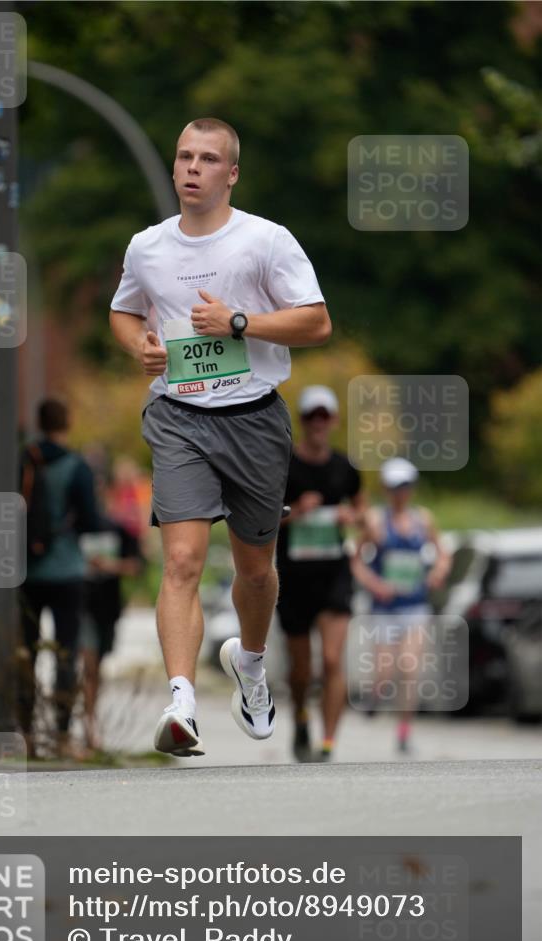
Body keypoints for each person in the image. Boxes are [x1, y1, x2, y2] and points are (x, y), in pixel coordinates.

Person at [109, 117, 331, 757]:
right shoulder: (147, 247)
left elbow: (316, 323)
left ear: (231, 173)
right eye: (184, 156)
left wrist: (238, 322)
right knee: (180, 560)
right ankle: (181, 703)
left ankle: (252, 665)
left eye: (208, 158)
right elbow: (124, 312)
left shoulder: (265, 241)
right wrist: (140, 348)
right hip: (178, 416)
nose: (192, 168)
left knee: (255, 571)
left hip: (255, 417)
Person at [277, 386, 366, 762]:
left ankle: (327, 743)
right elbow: (262, 517)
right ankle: (300, 717)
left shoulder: (345, 468)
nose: (318, 422)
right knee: (302, 668)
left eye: (324, 415)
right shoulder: (284, 466)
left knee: (331, 660)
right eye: (311, 416)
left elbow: (365, 515)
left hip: (333, 573)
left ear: (333, 420)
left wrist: (353, 518)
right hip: (294, 576)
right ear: (302, 421)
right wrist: (296, 510)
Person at [351, 458, 451, 752]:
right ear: (385, 489)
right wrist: (374, 584)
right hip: (384, 610)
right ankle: (375, 695)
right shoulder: (375, 521)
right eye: (395, 487)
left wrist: (438, 573)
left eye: (405, 486)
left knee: (409, 667)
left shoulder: (423, 520)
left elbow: (443, 554)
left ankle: (404, 730)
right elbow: (355, 559)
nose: (401, 493)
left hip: (415, 606)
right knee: (384, 671)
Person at [18, 398, 100, 757]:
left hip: (26, 572)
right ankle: (64, 735)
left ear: (39, 421)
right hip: (66, 570)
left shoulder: (23, 461)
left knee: (27, 652)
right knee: (66, 653)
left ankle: (26, 735)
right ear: (67, 422)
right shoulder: (76, 467)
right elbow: (92, 522)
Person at [80, 513, 144, 751]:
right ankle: (85, 726)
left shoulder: (118, 529)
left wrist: (109, 566)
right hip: (79, 606)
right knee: (87, 663)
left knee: (95, 669)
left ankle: (89, 719)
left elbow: (137, 565)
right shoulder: (73, 526)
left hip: (107, 608)